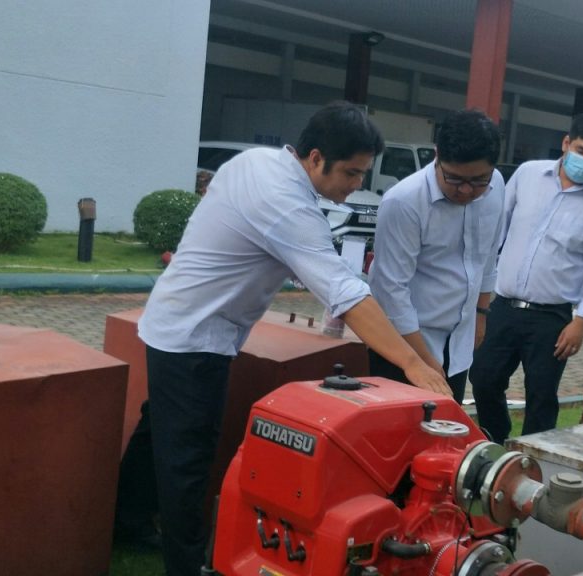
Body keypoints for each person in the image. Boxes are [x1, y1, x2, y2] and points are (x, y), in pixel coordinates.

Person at [134, 101, 451, 576]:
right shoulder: (286, 204)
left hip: (177, 319)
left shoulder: (256, 161)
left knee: (157, 432)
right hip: (194, 338)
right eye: (350, 172)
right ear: (316, 157)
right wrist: (412, 364)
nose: (356, 184)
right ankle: (186, 565)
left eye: (363, 173)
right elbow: (344, 292)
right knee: (188, 458)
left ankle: (126, 516)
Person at [469, 111, 583, 444]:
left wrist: (581, 322)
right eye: (581, 150)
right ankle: (496, 442)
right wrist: (479, 289)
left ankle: (533, 458)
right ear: (566, 143)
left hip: (552, 319)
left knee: (541, 393)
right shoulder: (528, 174)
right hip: (504, 306)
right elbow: (497, 230)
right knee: (483, 377)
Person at [367, 109, 504, 403]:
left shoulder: (495, 187)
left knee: (445, 426)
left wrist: (481, 315)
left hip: (458, 344)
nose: (466, 190)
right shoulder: (404, 201)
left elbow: (488, 256)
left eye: (478, 180)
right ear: (437, 155)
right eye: (454, 178)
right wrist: (424, 363)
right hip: (404, 345)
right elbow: (391, 291)